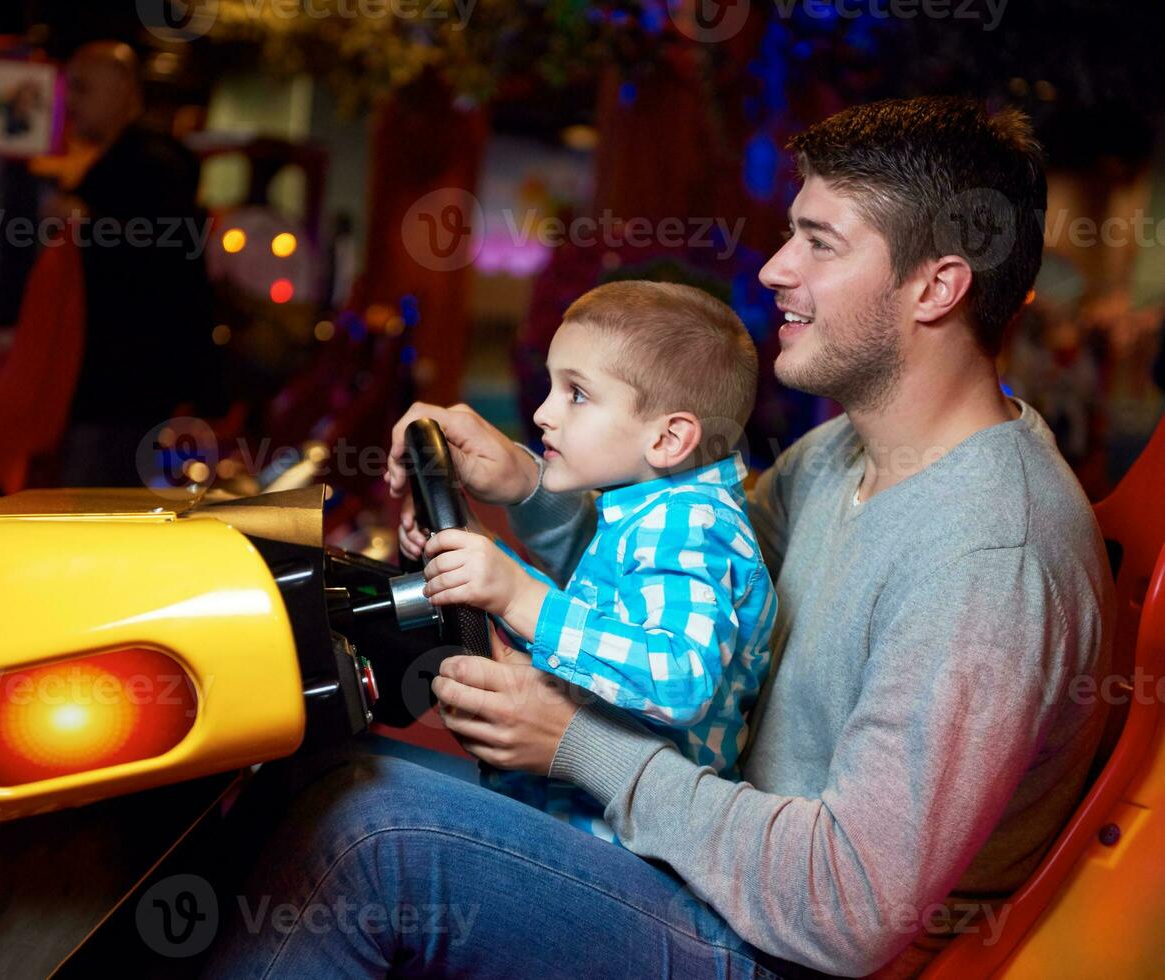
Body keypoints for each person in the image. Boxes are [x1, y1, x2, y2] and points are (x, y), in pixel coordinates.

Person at [201, 97, 1111, 978]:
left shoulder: (991, 559)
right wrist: (523, 480)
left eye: (819, 243)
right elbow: (669, 580)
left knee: (373, 839)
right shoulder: (840, 454)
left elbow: (847, 907)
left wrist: (576, 746)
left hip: (780, 951)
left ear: (938, 286)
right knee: (301, 761)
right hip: (704, 872)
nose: (773, 270)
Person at [401, 280, 776, 844]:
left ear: (669, 438)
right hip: (569, 810)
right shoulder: (649, 509)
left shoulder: (690, 526)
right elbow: (588, 631)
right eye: (552, 386)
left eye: (576, 394)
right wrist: (473, 550)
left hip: (627, 846)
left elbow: (678, 678)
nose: (543, 413)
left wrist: (515, 595)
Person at [58, 41, 220, 486]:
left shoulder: (150, 163)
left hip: (122, 384)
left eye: (82, 89)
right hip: (123, 383)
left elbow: (158, 261)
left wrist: (84, 222)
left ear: (122, 91)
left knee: (95, 515)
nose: (70, 103)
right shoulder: (130, 160)